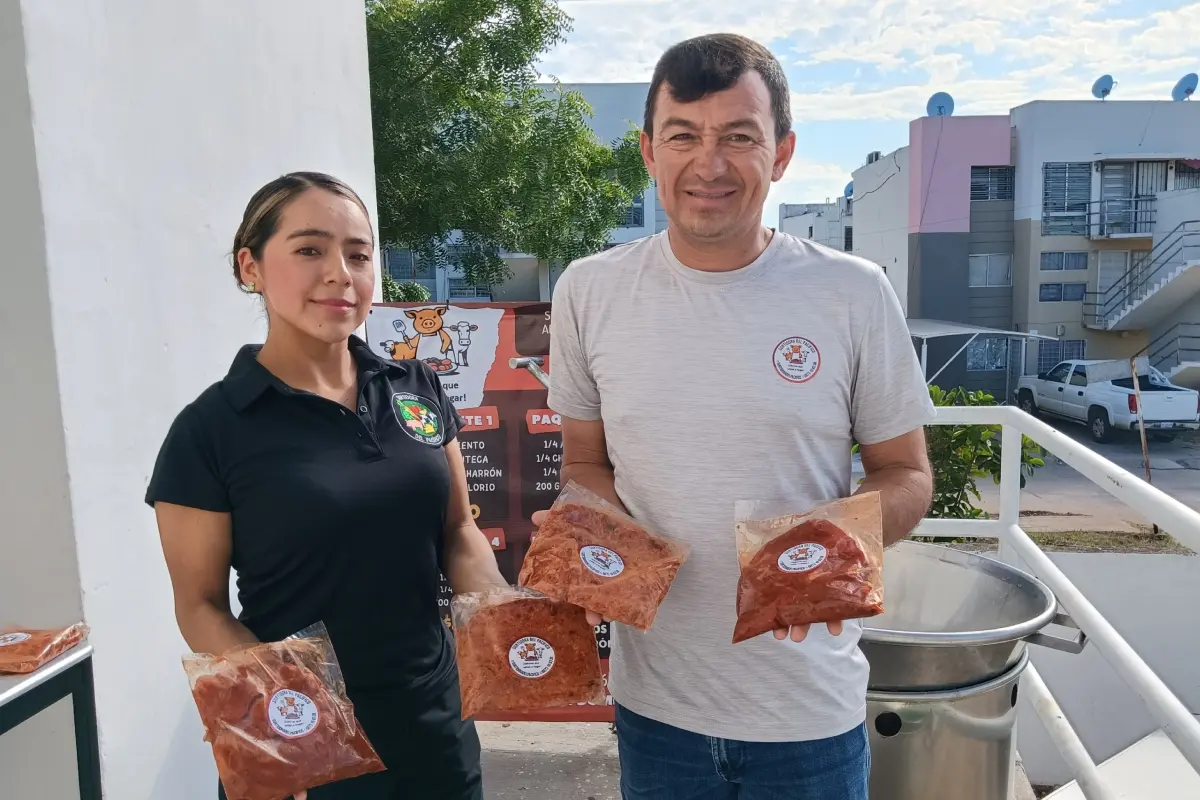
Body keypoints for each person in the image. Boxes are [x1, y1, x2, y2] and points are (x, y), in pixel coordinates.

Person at [537, 34, 936, 799]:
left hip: (809, 714)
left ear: (782, 153)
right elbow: (585, 463)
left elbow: (906, 473)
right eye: (683, 136)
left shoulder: (851, 292)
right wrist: (607, 551)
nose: (709, 164)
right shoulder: (589, 291)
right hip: (655, 709)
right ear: (649, 152)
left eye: (739, 137)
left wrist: (826, 547)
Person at [145, 172, 506, 800]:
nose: (340, 273)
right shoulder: (211, 429)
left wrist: (505, 616)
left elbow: (457, 531)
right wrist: (287, 722)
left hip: (434, 724)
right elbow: (198, 604)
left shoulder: (414, 386)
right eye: (310, 249)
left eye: (359, 254)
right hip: (302, 735)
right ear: (250, 266)